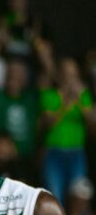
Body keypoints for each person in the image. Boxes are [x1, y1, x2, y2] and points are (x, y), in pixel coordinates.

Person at [39, 58, 96, 205]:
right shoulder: (49, 95)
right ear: (59, 75)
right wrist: (65, 102)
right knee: (55, 196)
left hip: (76, 152)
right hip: (54, 153)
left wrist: (82, 104)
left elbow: (92, 124)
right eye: (66, 74)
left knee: (79, 196)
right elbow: (47, 124)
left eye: (73, 75)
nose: (69, 79)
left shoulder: (84, 96)